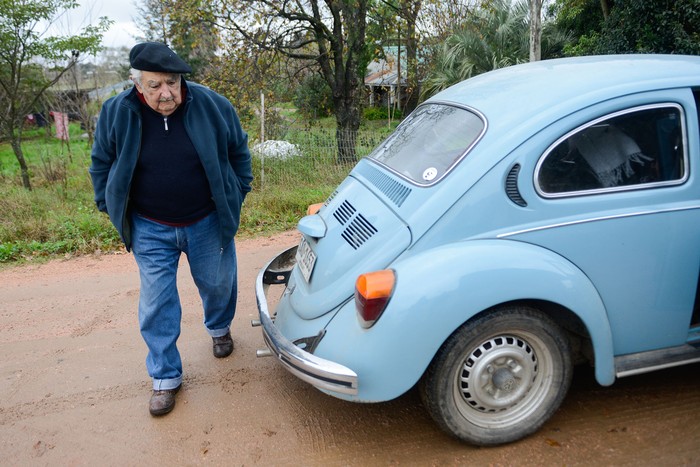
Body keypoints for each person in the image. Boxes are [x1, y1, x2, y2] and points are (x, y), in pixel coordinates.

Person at [89, 42, 253, 416]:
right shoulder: (118, 111)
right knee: (157, 301)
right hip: (149, 225)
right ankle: (165, 377)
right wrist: (108, 202)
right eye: (155, 85)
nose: (166, 93)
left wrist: (239, 190)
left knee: (217, 283)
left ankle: (219, 328)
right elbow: (101, 161)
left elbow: (238, 150)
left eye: (173, 82)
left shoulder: (211, 105)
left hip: (207, 219)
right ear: (137, 84)